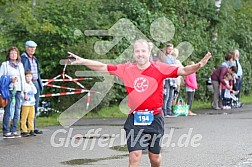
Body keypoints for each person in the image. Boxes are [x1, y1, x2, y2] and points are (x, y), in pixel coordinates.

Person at [68, 39, 211, 167]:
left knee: (154, 158)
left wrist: (199, 65)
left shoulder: (160, 68)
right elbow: (102, 67)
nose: (140, 54)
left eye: (143, 51)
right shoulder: (126, 68)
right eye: (137, 51)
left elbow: (184, 70)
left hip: (155, 118)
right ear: (133, 53)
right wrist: (83, 61)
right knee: (134, 156)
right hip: (135, 119)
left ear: (149, 52)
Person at [0, 47, 26, 138]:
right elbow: (1, 78)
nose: (13, 55)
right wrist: (10, 79)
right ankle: (6, 130)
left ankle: (14, 129)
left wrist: (25, 91)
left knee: (17, 110)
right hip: (9, 90)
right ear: (9, 55)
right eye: (12, 53)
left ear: (18, 55)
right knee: (8, 110)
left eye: (15, 53)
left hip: (18, 90)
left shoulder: (20, 65)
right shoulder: (5, 64)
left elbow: (23, 78)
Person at [21, 40, 43, 134]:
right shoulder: (23, 58)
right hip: (28, 83)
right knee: (26, 106)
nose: (32, 49)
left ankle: (32, 127)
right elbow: (23, 71)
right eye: (30, 47)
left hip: (36, 82)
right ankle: (25, 128)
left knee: (34, 105)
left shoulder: (34, 58)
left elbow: (38, 71)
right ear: (26, 48)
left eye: (34, 48)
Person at [20, 70, 37, 137]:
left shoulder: (31, 84)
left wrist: (31, 84)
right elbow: (21, 93)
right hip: (25, 104)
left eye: (30, 76)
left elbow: (35, 91)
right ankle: (24, 130)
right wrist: (24, 97)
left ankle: (31, 129)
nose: (29, 78)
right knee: (24, 117)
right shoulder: (23, 84)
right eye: (27, 76)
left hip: (32, 103)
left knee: (31, 117)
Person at [162, 43, 177, 117]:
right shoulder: (164, 57)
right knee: (166, 95)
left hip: (172, 78)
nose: (170, 51)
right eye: (169, 49)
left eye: (171, 49)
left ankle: (169, 110)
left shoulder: (173, 58)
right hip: (166, 78)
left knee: (171, 95)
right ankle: (164, 111)